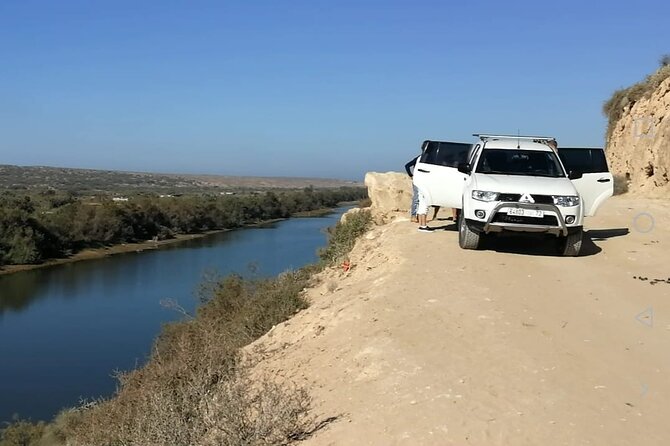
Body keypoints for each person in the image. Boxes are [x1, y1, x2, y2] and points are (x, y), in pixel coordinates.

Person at [404, 156, 420, 222]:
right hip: (417, 180)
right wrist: (411, 175)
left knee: (421, 199)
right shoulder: (419, 158)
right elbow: (407, 165)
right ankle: (413, 216)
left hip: (422, 180)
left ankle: (419, 216)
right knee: (416, 198)